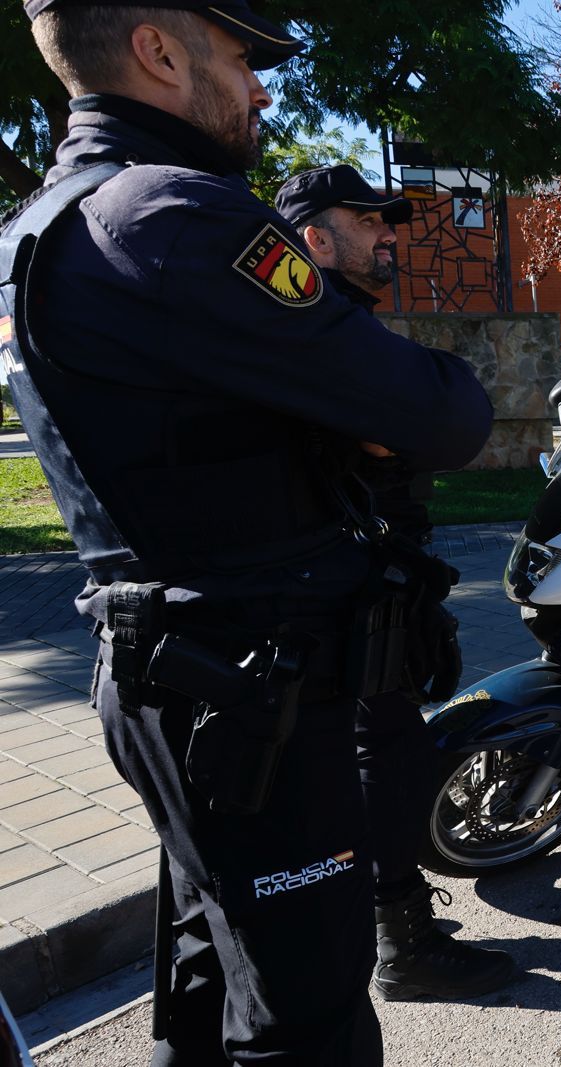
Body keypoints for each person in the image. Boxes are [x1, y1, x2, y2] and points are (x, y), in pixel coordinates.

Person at [6, 4, 493, 1063]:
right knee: (306, 1017)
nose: (264, 90)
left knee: (210, 968)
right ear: (160, 51)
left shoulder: (41, 224)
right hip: (252, 687)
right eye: (241, 58)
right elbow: (442, 414)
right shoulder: (174, 215)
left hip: (175, 678)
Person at [275, 165, 518, 1002]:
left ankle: (390, 925)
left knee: (375, 755)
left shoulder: (319, 323)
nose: (390, 232)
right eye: (369, 219)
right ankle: (401, 944)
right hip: (342, 591)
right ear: (315, 237)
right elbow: (425, 424)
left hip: (356, 583)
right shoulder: (316, 328)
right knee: (387, 760)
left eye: (391, 219)